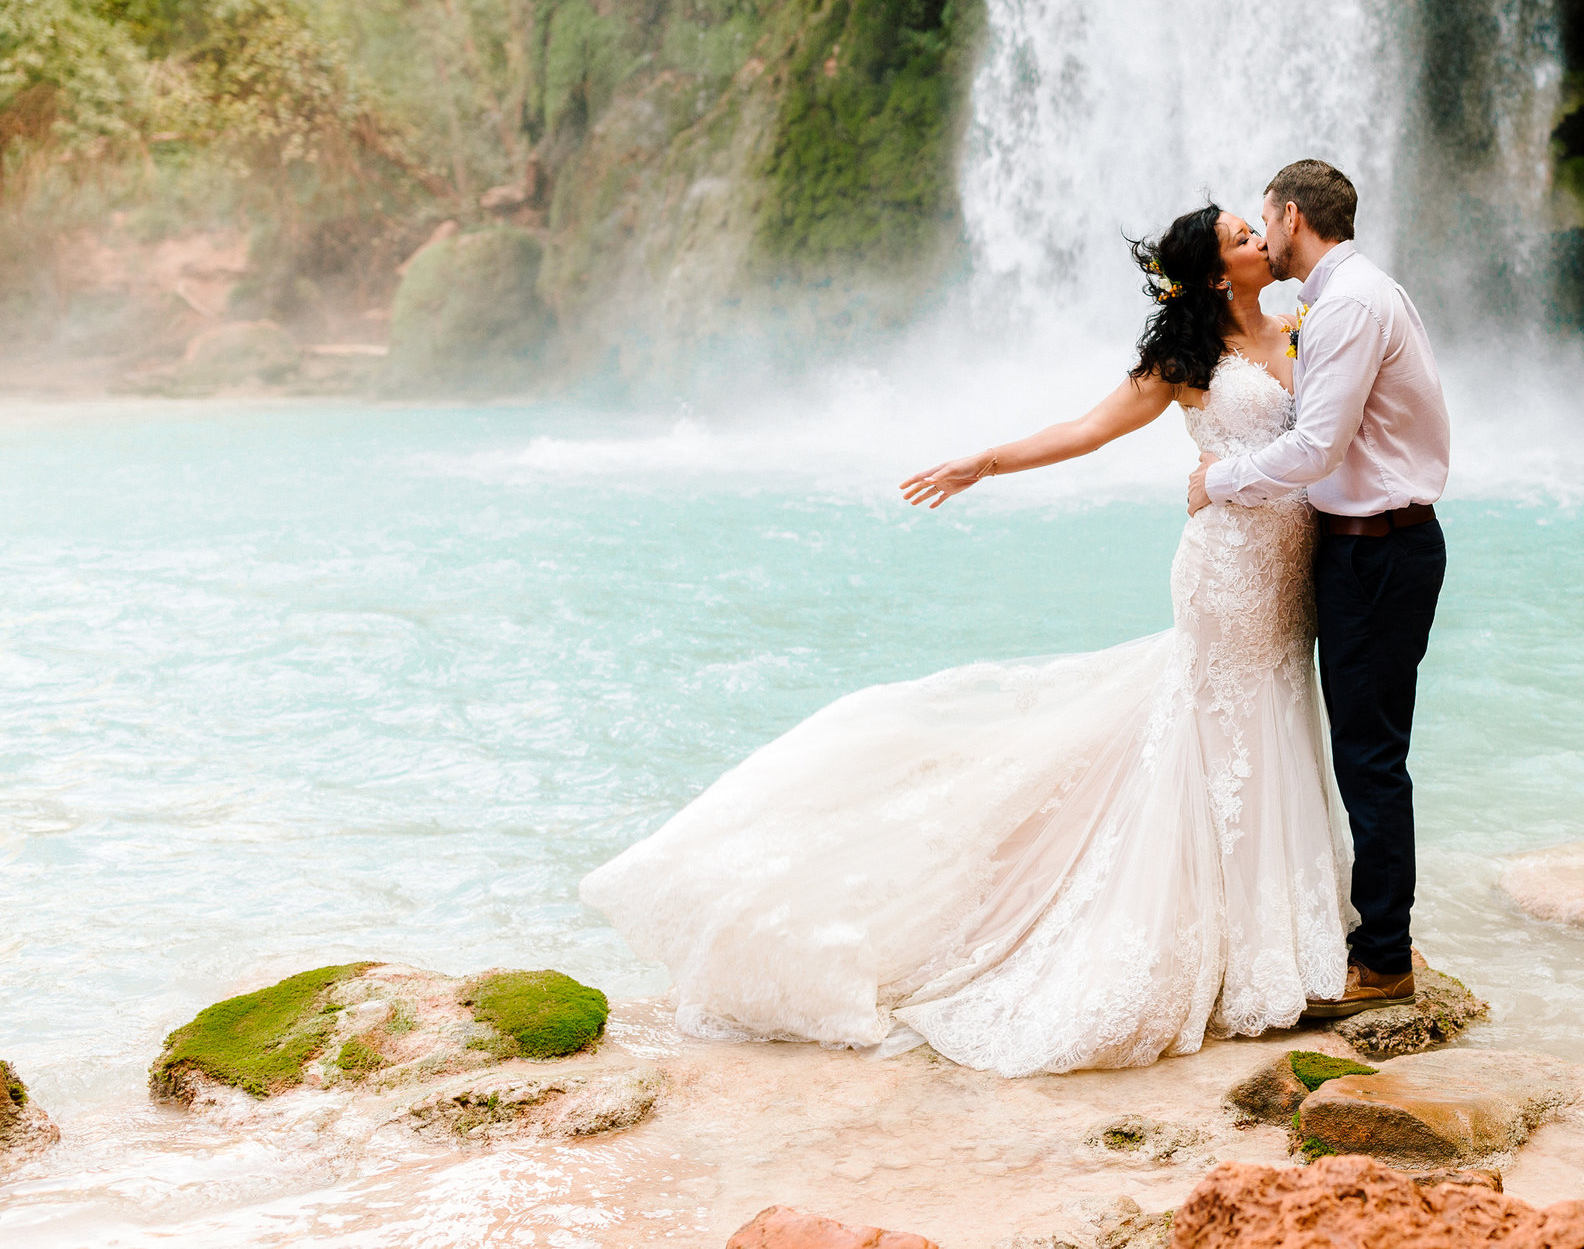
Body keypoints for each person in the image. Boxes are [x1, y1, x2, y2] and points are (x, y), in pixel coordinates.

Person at [579, 203, 1359, 1076]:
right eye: (1243, 239)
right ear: (1218, 275)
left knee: (1278, 716)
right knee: (1219, 731)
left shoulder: (1300, 328)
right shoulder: (1185, 363)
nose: (1262, 239)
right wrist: (982, 461)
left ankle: (1277, 926)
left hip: (1291, 568)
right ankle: (1228, 942)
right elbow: (1085, 429)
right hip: (1224, 571)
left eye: (1259, 230)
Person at [1190, 159, 1449, 1014]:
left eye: (1265, 226)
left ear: (1293, 216)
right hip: (1372, 546)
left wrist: (1218, 479)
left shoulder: (1345, 304)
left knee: (1370, 755)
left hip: (1377, 549)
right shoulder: (1350, 295)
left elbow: (1315, 450)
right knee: (1367, 749)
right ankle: (1380, 932)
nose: (1262, 242)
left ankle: (1381, 959)